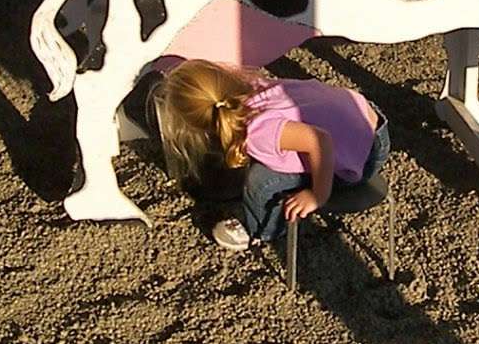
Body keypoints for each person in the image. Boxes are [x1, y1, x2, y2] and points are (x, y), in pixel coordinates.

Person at [153, 59, 390, 250]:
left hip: (365, 155)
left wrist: (317, 194)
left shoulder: (259, 132)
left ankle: (262, 231)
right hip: (368, 120)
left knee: (261, 181)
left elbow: (320, 141)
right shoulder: (255, 88)